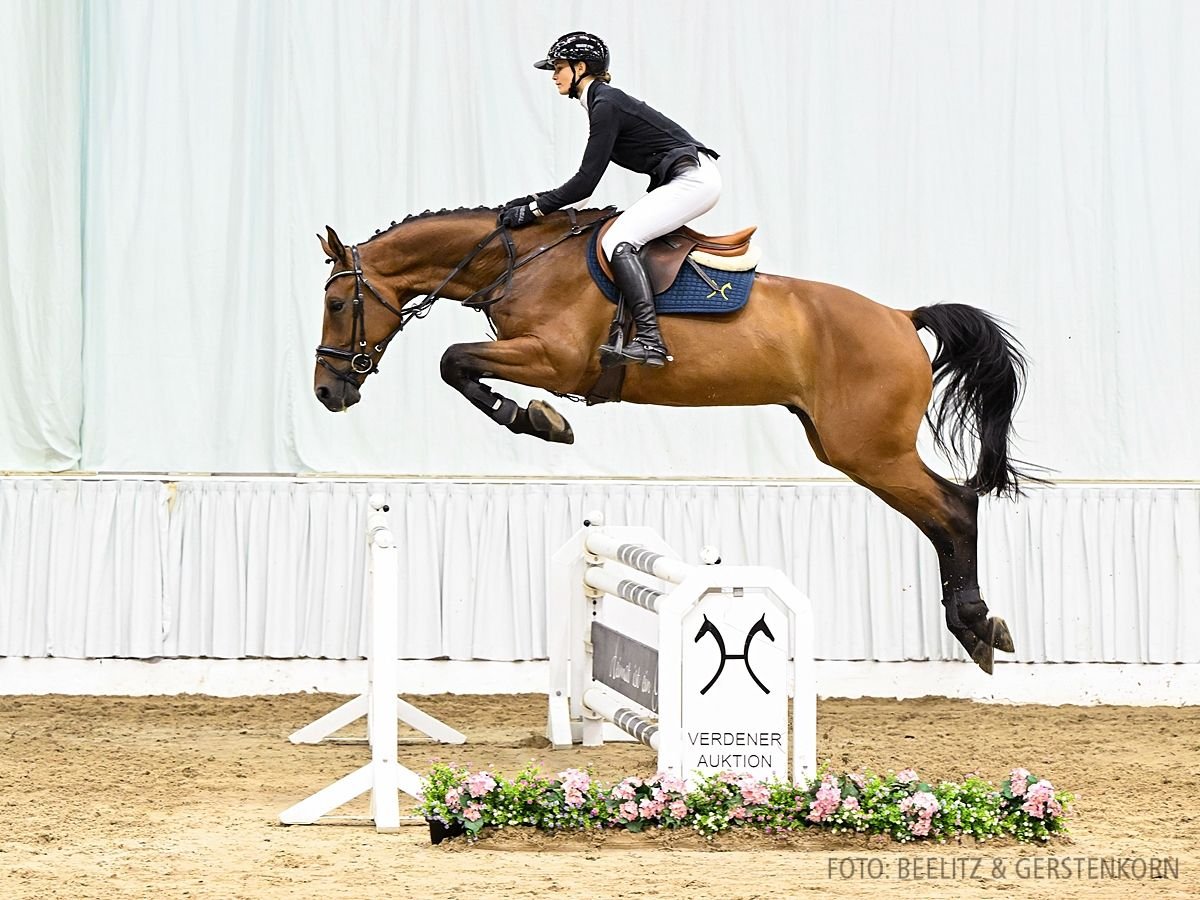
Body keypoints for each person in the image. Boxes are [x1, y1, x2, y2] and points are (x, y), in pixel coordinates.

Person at [497, 32, 722, 367]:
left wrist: (534, 209)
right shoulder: (602, 102)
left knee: (619, 238)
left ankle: (650, 340)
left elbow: (585, 183)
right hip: (689, 179)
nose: (554, 75)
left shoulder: (606, 105)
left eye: (558, 67)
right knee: (620, 233)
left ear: (581, 67)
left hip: (694, 181)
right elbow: (583, 181)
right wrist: (534, 199)